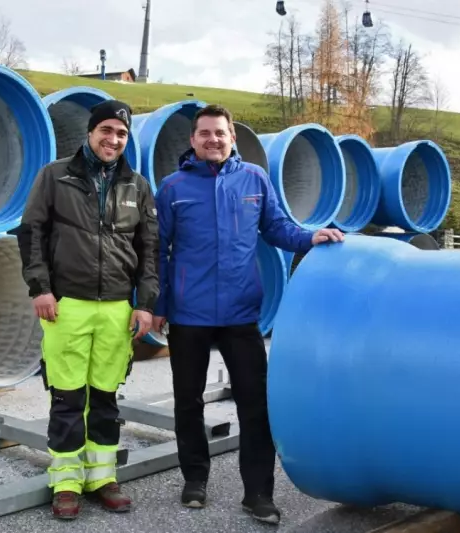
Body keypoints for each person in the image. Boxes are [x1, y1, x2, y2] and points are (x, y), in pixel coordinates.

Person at [152, 104, 344, 525]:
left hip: (241, 314)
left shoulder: (254, 179)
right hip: (189, 315)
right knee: (188, 402)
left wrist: (311, 237)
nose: (212, 140)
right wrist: (160, 305)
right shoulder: (172, 187)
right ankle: (195, 480)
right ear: (193, 140)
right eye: (204, 133)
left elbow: (277, 228)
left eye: (220, 133)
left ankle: (257, 492)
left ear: (232, 137)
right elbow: (157, 251)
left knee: (255, 406)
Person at [16, 99, 160, 520]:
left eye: (121, 133)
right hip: (67, 306)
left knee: (105, 397)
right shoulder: (55, 175)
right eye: (107, 131)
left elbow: (149, 250)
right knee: (66, 396)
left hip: (117, 308)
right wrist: (40, 289)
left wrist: (145, 303)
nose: (113, 139)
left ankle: (102, 477)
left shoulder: (138, 186)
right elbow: (31, 233)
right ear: (91, 132)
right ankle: (65, 482)